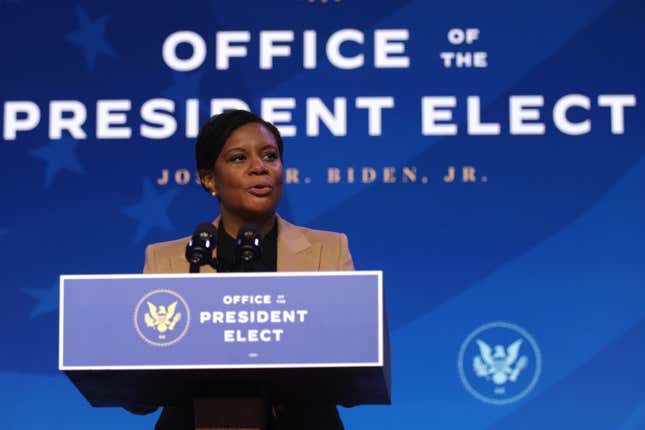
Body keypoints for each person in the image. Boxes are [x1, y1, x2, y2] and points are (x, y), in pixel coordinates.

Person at [138, 110, 354, 430]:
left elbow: (352, 375)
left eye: (270, 156)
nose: (259, 167)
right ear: (209, 179)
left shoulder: (329, 251)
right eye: (239, 158)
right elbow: (142, 393)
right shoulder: (167, 260)